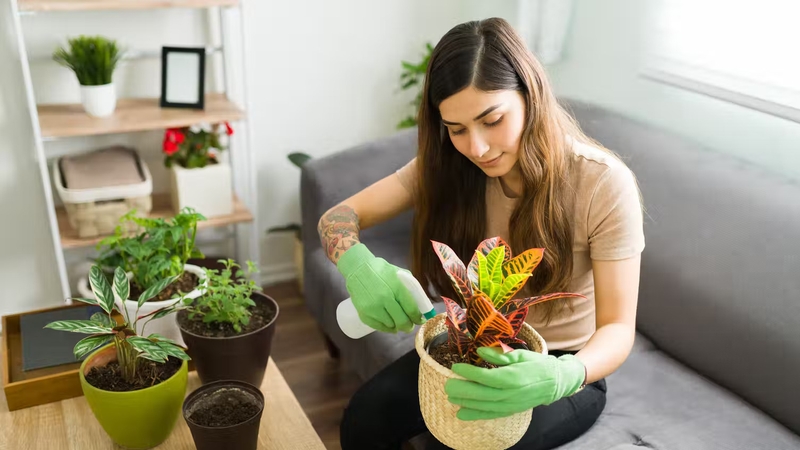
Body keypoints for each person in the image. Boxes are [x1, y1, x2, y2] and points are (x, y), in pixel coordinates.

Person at [317, 17, 645, 450]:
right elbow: (337, 218)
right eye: (456, 130)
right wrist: (358, 265)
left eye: (492, 120)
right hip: (468, 343)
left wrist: (565, 374)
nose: (478, 148)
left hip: (560, 365)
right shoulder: (451, 166)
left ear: (530, 95)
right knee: (364, 420)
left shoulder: (601, 184)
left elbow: (618, 328)